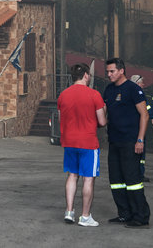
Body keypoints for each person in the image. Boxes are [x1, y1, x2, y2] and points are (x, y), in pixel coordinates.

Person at [103, 57, 151, 228]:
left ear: (121, 71)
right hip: (114, 142)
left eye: (112, 71)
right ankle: (124, 213)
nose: (109, 75)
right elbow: (103, 114)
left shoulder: (133, 89)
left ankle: (141, 216)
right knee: (116, 180)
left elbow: (144, 115)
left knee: (133, 181)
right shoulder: (108, 90)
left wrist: (140, 140)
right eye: (107, 72)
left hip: (131, 142)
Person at [57, 63, 107, 227]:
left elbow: (60, 120)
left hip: (69, 142)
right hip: (88, 142)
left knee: (72, 175)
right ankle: (85, 216)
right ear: (86, 75)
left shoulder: (63, 95)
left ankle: (69, 212)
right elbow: (102, 121)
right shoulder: (94, 95)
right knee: (88, 179)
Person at [130, 74, 149, 182]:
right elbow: (145, 112)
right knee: (139, 153)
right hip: (138, 128)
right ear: (137, 83)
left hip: (134, 127)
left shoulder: (129, 93)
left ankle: (137, 173)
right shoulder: (139, 94)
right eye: (142, 83)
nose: (143, 85)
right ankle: (139, 174)